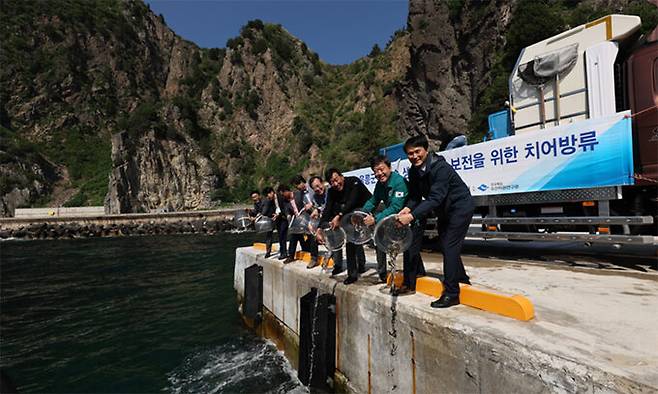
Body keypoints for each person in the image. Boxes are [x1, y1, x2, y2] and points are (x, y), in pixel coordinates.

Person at [396, 135, 474, 308]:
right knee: (445, 244)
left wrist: (412, 216)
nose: (414, 156)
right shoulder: (413, 171)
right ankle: (461, 278)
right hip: (445, 210)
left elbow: (435, 198)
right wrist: (407, 208)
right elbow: (415, 197)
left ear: (426, 150)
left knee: (449, 246)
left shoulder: (441, 168)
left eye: (418, 152)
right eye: (410, 153)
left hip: (460, 207)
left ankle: (452, 293)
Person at [359, 155, 409, 284]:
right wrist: (361, 213)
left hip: (406, 218)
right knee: (379, 240)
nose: (379, 173)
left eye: (382, 169)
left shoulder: (399, 182)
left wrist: (375, 219)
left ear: (389, 167)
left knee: (409, 250)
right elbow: (373, 200)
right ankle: (382, 273)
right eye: (376, 171)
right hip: (391, 218)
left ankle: (415, 274)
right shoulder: (380, 185)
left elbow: (396, 207)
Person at [317, 168, 372, 285]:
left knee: (359, 237)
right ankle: (353, 273)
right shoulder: (332, 192)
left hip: (366, 213)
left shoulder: (354, 182)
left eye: (337, 180)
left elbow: (352, 201)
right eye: (332, 182)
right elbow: (327, 209)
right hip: (348, 217)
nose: (336, 184)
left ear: (342, 176)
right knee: (350, 240)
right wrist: (319, 228)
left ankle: (380, 271)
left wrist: (339, 216)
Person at [284, 176, 319, 268]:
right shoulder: (300, 193)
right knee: (295, 234)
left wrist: (312, 205)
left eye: (297, 185)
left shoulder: (312, 188)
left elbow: (318, 199)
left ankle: (314, 258)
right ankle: (291, 255)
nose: (297, 188)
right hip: (307, 216)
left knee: (313, 236)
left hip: (316, 214)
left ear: (301, 182)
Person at [275, 184, 293, 260]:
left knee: (283, 235)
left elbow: (285, 207)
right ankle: (283, 251)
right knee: (280, 236)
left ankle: (284, 252)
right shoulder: (275, 198)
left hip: (283, 218)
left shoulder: (282, 197)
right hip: (279, 219)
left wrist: (284, 215)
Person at [260, 187, 276, 258]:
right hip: (272, 218)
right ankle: (268, 251)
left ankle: (268, 251)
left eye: (269, 193)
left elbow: (264, 211)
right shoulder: (268, 200)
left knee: (269, 236)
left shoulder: (267, 200)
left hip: (273, 218)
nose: (269, 196)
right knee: (269, 235)